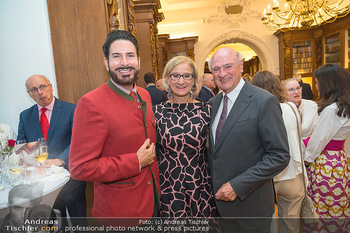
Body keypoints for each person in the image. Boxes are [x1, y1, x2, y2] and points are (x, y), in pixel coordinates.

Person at [68, 30, 160, 221]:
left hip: (154, 203)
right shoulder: (91, 103)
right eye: (116, 56)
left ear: (139, 61)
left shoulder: (145, 94)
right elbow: (79, 168)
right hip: (122, 213)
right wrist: (135, 162)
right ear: (106, 63)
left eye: (130, 56)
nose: (125, 62)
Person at [207, 47, 290, 233]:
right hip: (219, 208)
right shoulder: (213, 104)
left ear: (241, 65)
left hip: (251, 207)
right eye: (216, 69)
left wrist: (237, 186)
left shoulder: (263, 101)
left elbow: (279, 155)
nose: (222, 74)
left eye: (228, 66)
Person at [17, 75, 86, 224]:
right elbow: (22, 146)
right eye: (34, 89)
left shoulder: (72, 109)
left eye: (43, 87)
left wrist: (60, 159)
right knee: (55, 224)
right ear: (29, 94)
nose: (40, 92)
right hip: (44, 184)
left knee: (79, 222)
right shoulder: (25, 116)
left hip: (71, 178)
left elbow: (79, 141)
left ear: (51, 87)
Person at [153, 56, 216, 220]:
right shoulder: (156, 112)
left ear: (194, 79)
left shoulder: (206, 110)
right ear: (168, 78)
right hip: (169, 186)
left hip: (200, 185)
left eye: (187, 75)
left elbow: (215, 148)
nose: (181, 81)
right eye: (175, 75)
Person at [252, 71, 306, 233]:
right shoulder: (291, 108)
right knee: (291, 224)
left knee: (266, 223)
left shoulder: (258, 110)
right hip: (293, 174)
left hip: (268, 176)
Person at [303, 63, 350, 219]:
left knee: (323, 207)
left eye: (317, 83)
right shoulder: (342, 106)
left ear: (329, 84)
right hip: (337, 160)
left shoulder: (332, 110)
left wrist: (307, 160)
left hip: (326, 162)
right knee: (336, 204)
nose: (316, 87)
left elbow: (318, 141)